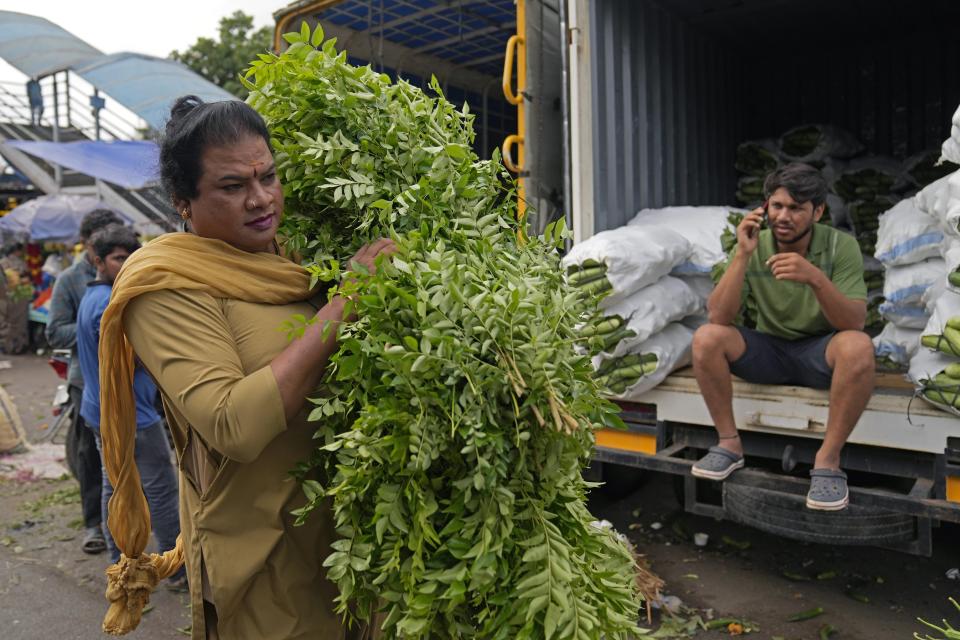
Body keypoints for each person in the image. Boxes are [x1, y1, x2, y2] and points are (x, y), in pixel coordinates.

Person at [96, 95, 395, 639]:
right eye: (232, 187)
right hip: (264, 553)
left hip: (345, 542)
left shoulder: (285, 262)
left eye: (269, 178)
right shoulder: (165, 286)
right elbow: (235, 424)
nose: (260, 200)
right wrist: (345, 303)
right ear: (183, 201)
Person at [690, 163, 874, 511]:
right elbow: (719, 316)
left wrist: (816, 279)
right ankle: (729, 445)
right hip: (770, 352)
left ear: (817, 212)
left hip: (818, 353)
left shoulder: (840, 247)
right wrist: (743, 254)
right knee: (706, 337)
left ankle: (827, 462)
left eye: (796, 208)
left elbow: (855, 322)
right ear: (765, 207)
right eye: (777, 206)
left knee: (858, 346)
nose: (784, 216)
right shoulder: (753, 243)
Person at [75, 224, 184, 589]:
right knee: (161, 489)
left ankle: (117, 561)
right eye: (118, 258)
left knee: (115, 484)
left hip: (99, 411)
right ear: (98, 261)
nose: (125, 265)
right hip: (131, 415)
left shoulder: (92, 297)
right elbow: (142, 355)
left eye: (129, 257)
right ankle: (178, 571)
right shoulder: (110, 302)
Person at [46, 209, 123, 554]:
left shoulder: (128, 268)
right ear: (88, 247)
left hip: (131, 378)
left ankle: (129, 520)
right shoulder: (69, 281)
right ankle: (93, 524)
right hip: (86, 380)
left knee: (137, 453)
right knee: (92, 457)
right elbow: (54, 332)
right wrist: (94, 325)